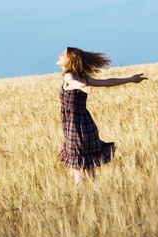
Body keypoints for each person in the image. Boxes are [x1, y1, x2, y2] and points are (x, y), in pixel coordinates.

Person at [56, 47, 148, 187]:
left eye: (63, 54)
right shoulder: (82, 78)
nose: (59, 55)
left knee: (78, 175)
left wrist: (81, 87)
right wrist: (131, 79)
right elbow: (107, 82)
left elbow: (71, 82)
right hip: (86, 127)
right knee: (90, 175)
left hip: (74, 129)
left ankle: (81, 200)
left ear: (71, 60)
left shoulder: (69, 76)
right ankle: (96, 197)